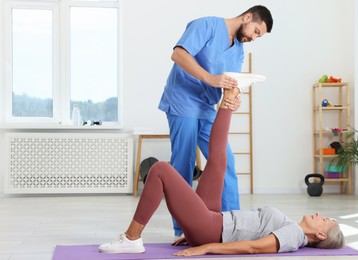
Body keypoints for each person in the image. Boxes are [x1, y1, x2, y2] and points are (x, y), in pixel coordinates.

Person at [99, 87, 345, 255]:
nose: (318, 213)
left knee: (161, 169)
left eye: (323, 219)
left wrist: (206, 246)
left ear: (321, 235)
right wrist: (196, 233)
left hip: (212, 227)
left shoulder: (295, 236)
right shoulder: (293, 227)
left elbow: (252, 248)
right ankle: (229, 99)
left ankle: (132, 237)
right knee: (218, 160)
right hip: (213, 220)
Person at [158, 4, 274, 238]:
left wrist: (235, 97)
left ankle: (234, 224)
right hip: (183, 100)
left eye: (258, 36)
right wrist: (210, 78)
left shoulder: (239, 49)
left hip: (206, 106)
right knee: (183, 163)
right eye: (255, 31)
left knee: (224, 160)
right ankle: (183, 229)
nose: (253, 37)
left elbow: (231, 81)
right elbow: (178, 54)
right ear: (248, 17)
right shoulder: (207, 25)